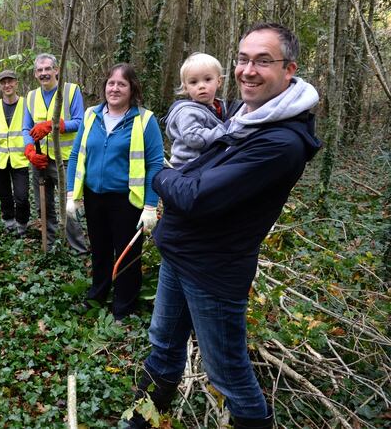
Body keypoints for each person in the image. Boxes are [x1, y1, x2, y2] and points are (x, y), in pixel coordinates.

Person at [124, 23, 321, 429]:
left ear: (289, 69)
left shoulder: (279, 142)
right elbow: (196, 174)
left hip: (213, 270)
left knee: (227, 372)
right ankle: (144, 418)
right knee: (162, 345)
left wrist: (157, 174)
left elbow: (196, 196)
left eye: (263, 61)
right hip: (181, 253)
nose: (248, 69)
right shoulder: (244, 117)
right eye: (243, 59)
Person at [66, 64, 163, 321]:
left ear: (132, 89)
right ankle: (97, 296)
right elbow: (76, 155)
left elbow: (155, 163)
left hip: (127, 200)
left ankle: (124, 308)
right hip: (94, 197)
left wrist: (151, 206)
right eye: (111, 83)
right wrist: (70, 195)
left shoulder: (144, 120)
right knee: (99, 250)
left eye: (122, 84)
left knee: (127, 254)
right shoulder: (91, 116)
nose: (115, 88)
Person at [22, 53, 88, 252]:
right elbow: (26, 128)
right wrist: (29, 149)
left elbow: (80, 121)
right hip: (40, 160)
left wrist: (53, 125)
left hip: (65, 160)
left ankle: (78, 248)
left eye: (47, 69)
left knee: (69, 205)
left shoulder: (70, 91)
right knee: (44, 206)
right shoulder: (31, 96)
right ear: (35, 74)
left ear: (56, 70)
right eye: (40, 70)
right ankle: (49, 245)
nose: (44, 73)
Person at [164, 52, 227, 167]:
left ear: (219, 81)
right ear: (185, 87)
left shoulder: (220, 107)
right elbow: (193, 138)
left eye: (207, 79)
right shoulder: (187, 112)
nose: (201, 86)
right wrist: (225, 130)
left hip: (206, 163)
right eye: (194, 82)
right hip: (187, 165)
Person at [0, 70, 29, 237]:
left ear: (16, 83)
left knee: (21, 196)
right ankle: (9, 222)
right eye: (3, 82)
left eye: (10, 81)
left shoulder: (27, 104)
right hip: (0, 159)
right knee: (4, 195)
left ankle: (22, 224)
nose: (7, 85)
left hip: (21, 158)